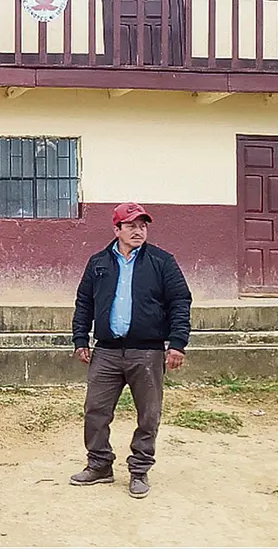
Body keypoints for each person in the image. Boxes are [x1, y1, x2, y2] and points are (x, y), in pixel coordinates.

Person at [70, 202, 192, 499]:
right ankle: (99, 465)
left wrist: (177, 343)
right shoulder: (98, 262)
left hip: (147, 353)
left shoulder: (162, 262)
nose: (138, 231)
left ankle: (139, 470)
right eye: (131, 226)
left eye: (143, 225)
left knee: (148, 414)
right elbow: (84, 302)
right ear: (117, 230)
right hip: (107, 351)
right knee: (96, 411)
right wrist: (80, 339)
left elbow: (180, 301)